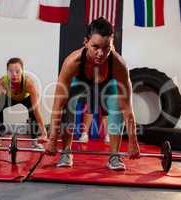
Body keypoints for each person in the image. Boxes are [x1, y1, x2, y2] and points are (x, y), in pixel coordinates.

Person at [45, 17, 140, 170]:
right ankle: (66, 151)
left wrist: (133, 142)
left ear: (112, 45)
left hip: (108, 86)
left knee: (117, 105)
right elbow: (57, 104)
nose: (100, 53)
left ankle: (114, 156)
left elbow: (128, 108)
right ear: (86, 42)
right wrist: (52, 139)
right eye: (95, 47)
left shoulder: (119, 65)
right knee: (67, 103)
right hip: (80, 85)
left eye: (106, 48)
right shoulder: (72, 62)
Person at [0, 57, 48, 148]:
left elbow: (37, 111)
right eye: (10, 72)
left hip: (26, 98)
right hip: (10, 97)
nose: (14, 75)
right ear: (7, 72)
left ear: (22, 71)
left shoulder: (29, 83)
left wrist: (44, 133)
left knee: (33, 111)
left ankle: (35, 139)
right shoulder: (1, 82)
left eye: (17, 71)